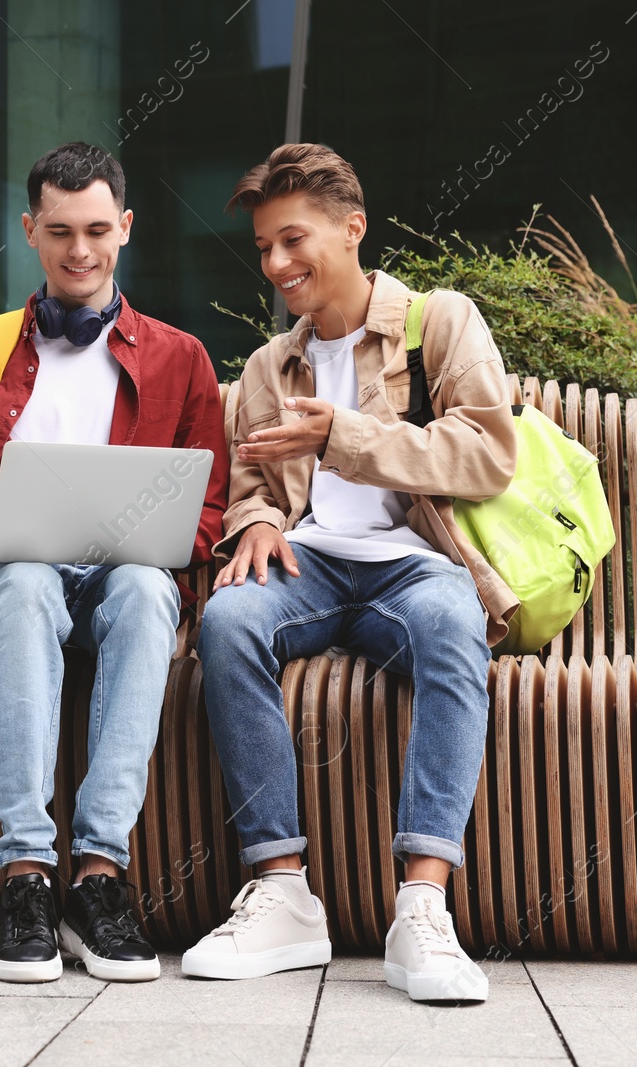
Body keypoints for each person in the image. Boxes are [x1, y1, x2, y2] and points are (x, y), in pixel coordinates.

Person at [180, 143, 518, 1003]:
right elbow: (250, 485)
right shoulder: (268, 366)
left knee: (454, 623)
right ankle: (284, 889)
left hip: (413, 568)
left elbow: (488, 453)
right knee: (227, 621)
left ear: (352, 229)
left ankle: (423, 907)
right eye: (263, 248)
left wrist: (344, 437)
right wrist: (253, 524)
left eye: (293, 241)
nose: (277, 264)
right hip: (312, 565)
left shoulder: (438, 321)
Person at [0, 142, 229, 983]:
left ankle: (99, 879)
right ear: (29, 230)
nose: (79, 250)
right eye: (59, 230)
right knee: (27, 580)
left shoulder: (180, 359)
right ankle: (25, 875)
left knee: (145, 590)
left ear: (126, 228)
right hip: (11, 573)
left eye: (98, 229)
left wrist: (163, 537)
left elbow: (206, 507)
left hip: (116, 579)